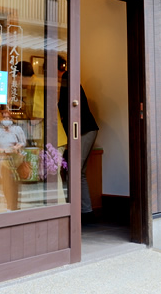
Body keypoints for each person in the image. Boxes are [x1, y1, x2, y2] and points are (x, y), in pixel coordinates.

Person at [58, 56, 99, 224]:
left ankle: (81, 212)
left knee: (74, 171)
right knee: (76, 172)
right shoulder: (66, 81)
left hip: (83, 131)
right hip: (83, 130)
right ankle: (84, 211)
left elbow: (67, 108)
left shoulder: (67, 80)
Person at [0, 105, 27, 210]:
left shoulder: (17, 129)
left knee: (15, 183)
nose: (6, 120)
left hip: (15, 159)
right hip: (3, 160)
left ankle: (15, 206)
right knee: (6, 184)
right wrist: (1, 150)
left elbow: (23, 142)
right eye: (4, 118)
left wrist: (16, 147)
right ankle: (8, 205)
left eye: (8, 118)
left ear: (11, 119)